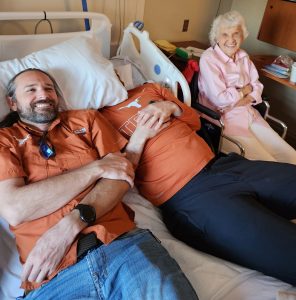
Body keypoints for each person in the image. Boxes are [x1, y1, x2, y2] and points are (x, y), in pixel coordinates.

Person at [0, 68, 198, 300]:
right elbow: (14, 208)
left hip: (121, 247)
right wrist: (96, 168)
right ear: (12, 103)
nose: (43, 95)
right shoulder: (5, 141)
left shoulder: (87, 119)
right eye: (31, 90)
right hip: (52, 275)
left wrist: (71, 224)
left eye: (49, 88)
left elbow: (120, 177)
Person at [102, 81, 296, 286]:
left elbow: (195, 121)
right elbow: (117, 174)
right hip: (190, 197)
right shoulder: (98, 119)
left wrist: (171, 107)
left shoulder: (148, 88)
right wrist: (139, 137)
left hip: (223, 165)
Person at [197, 10, 296, 163]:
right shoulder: (209, 59)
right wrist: (244, 91)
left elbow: (257, 86)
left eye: (236, 33)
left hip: (249, 114)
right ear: (215, 36)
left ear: (242, 35)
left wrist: (244, 96)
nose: (231, 39)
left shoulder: (243, 56)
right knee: (268, 164)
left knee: (290, 156)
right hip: (224, 121)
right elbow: (219, 100)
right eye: (224, 34)